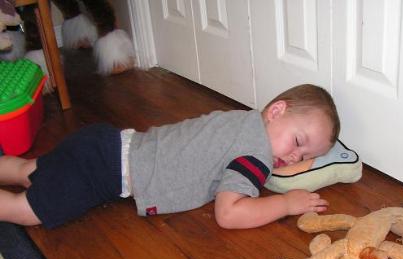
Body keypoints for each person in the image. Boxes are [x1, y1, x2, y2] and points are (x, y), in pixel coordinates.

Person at [0, 84, 340, 229]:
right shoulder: (255, 153)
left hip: (105, 144)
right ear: (277, 110)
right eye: (298, 141)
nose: (294, 157)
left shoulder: (244, 120)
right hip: (102, 170)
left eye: (305, 155)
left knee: (30, 170)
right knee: (28, 211)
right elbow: (229, 213)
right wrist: (287, 204)